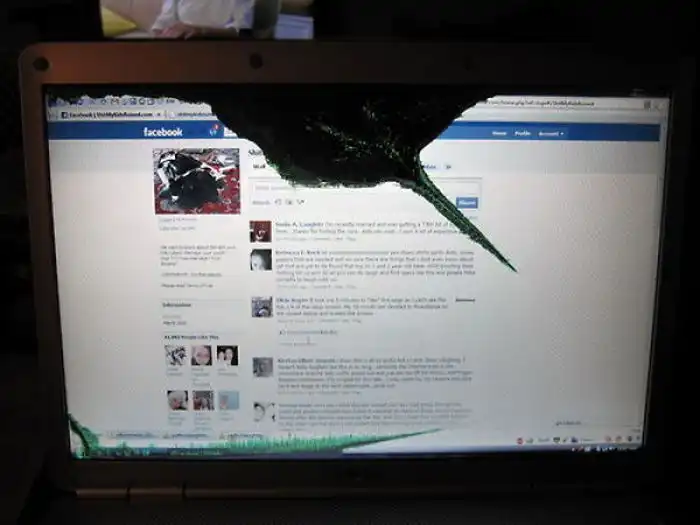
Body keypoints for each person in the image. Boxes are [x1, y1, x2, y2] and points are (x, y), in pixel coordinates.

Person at [151, 0, 254, 39]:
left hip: (222, 53)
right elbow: (162, 23)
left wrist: (201, 32)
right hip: (181, 51)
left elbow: (242, 30)